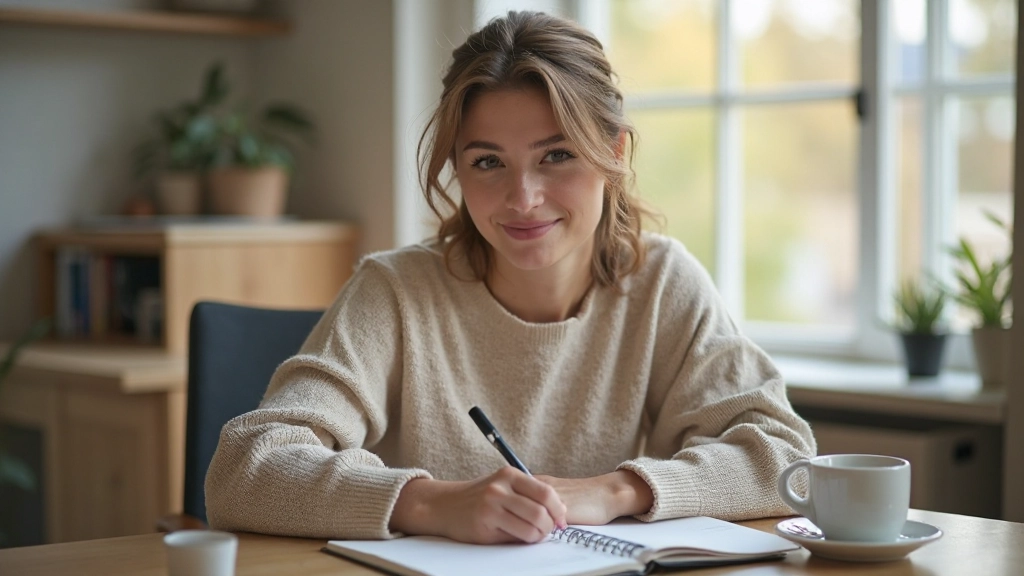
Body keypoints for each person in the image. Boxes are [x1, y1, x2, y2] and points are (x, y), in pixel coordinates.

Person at [205, 10, 816, 544]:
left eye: (557, 155)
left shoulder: (662, 283)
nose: (523, 198)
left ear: (614, 155)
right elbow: (244, 470)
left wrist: (614, 491)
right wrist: (430, 503)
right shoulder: (395, 292)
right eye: (488, 162)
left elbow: (788, 459)